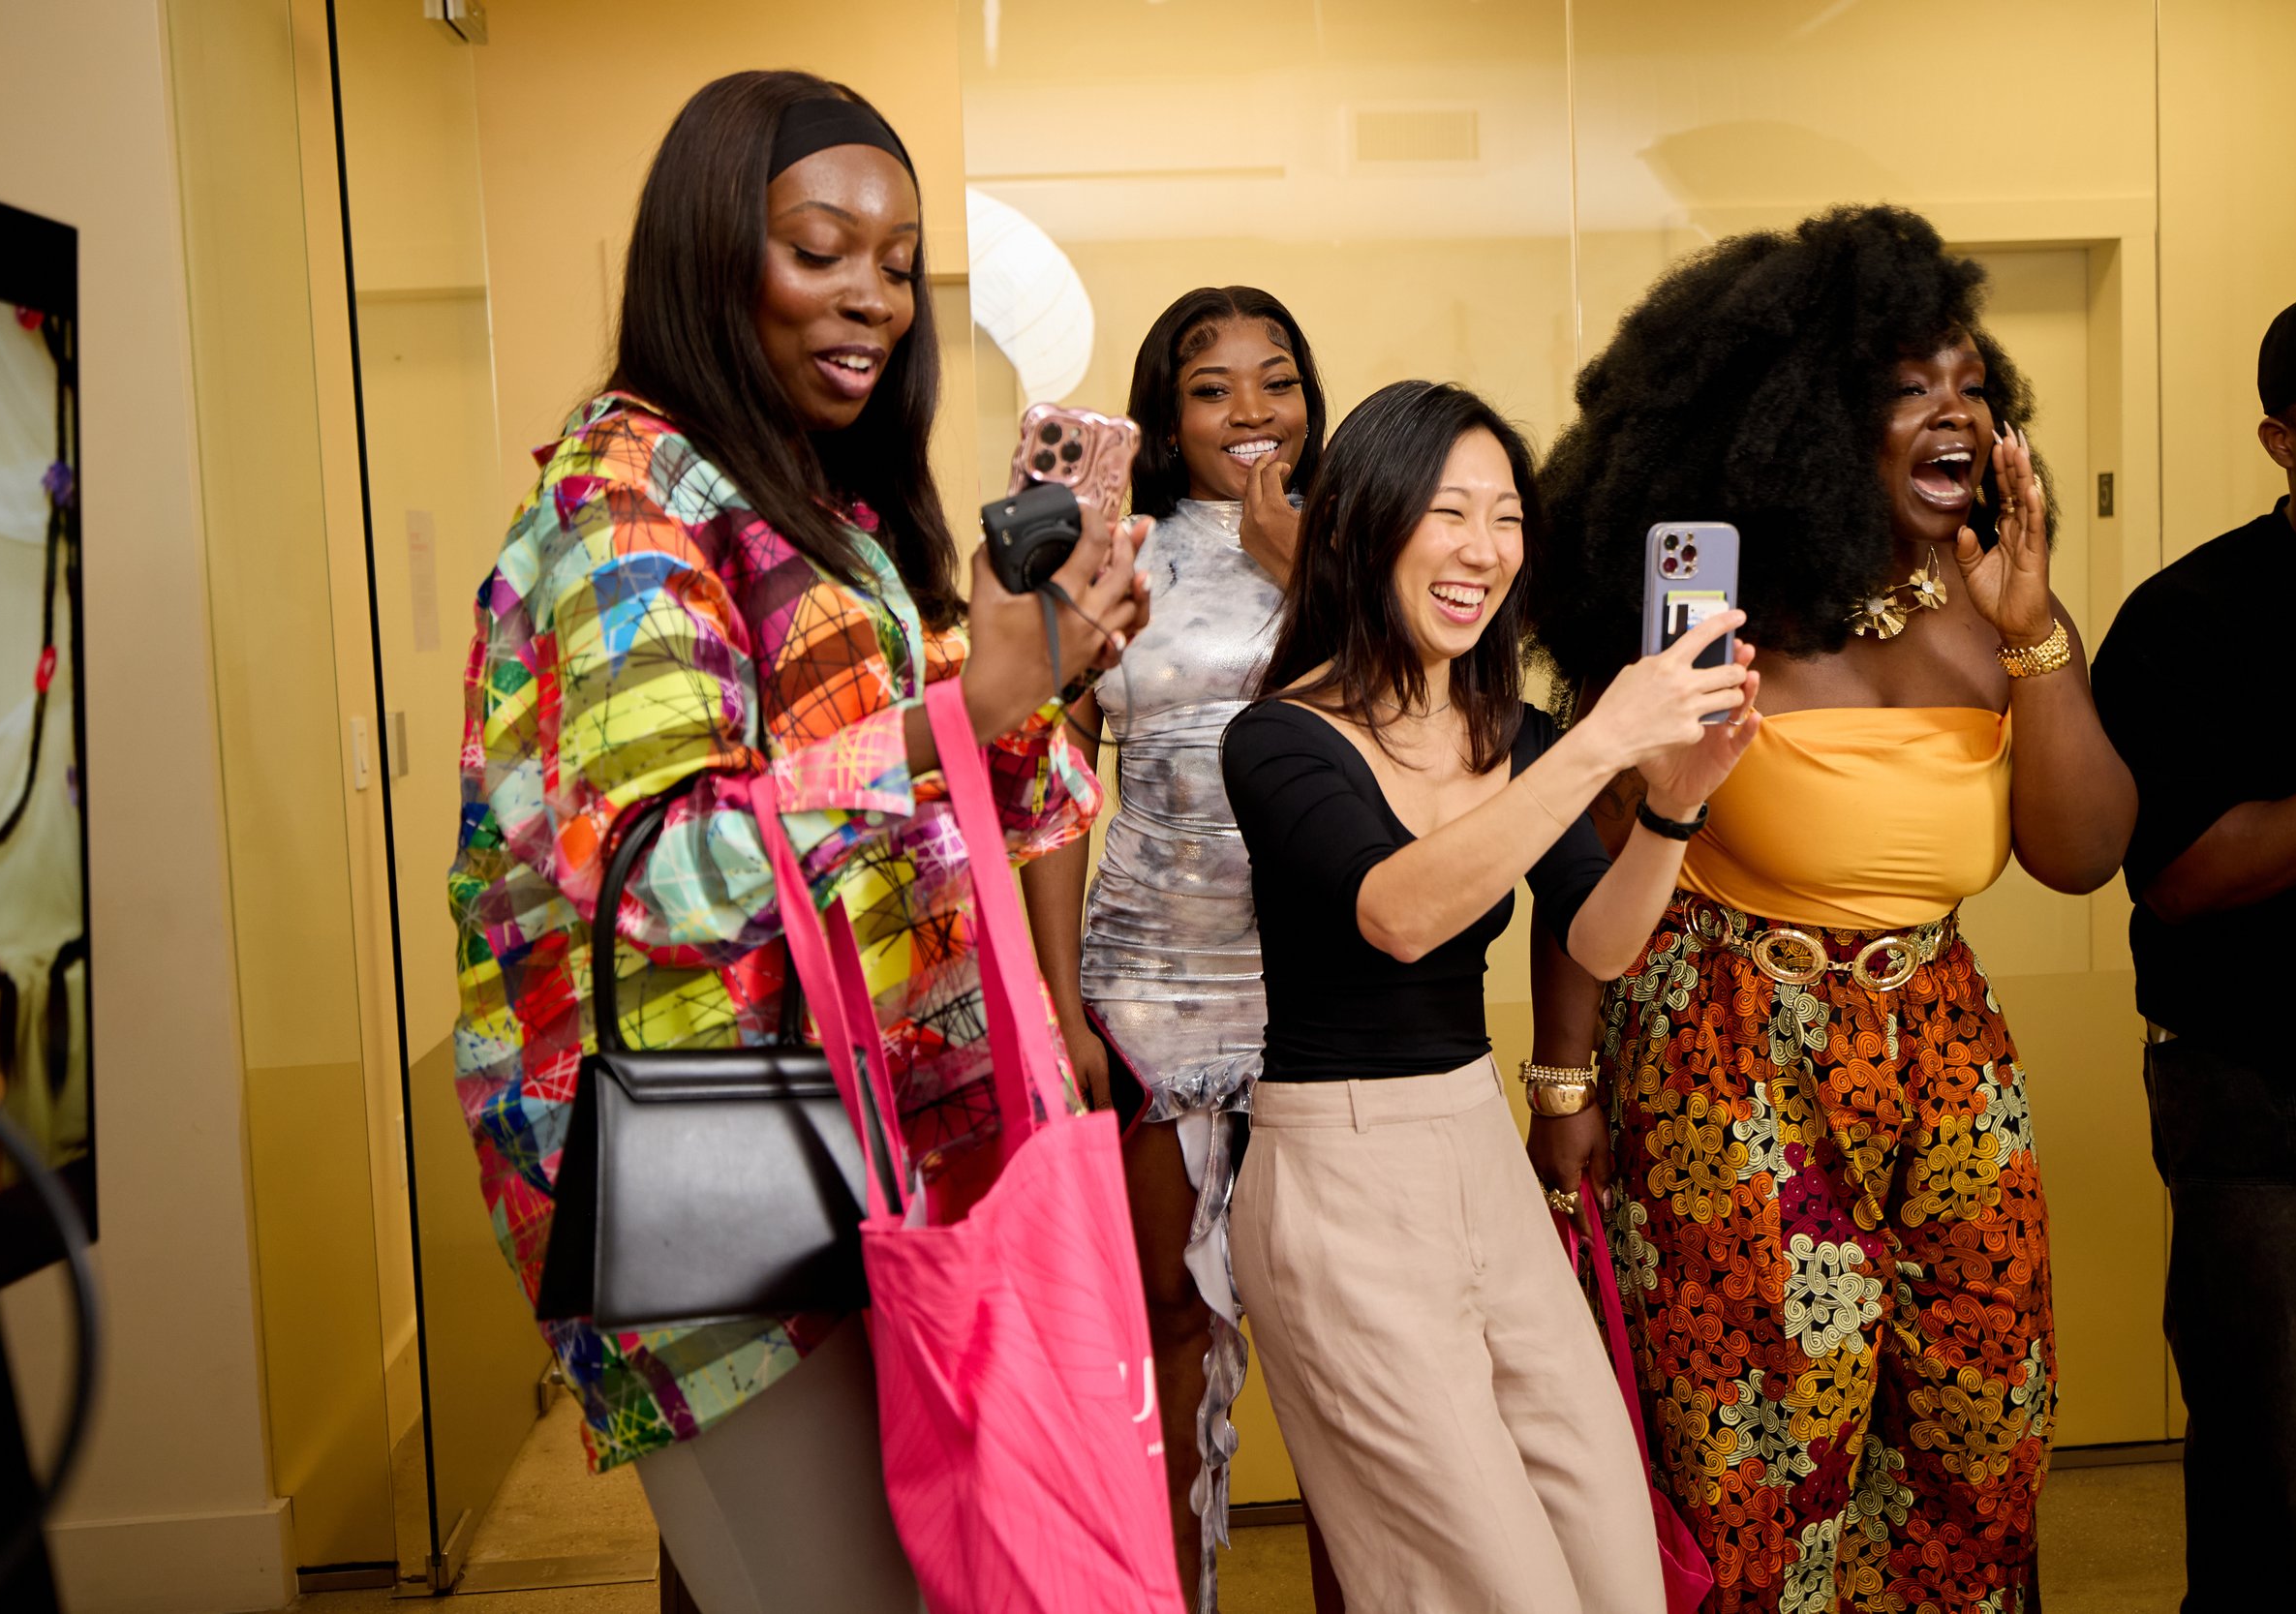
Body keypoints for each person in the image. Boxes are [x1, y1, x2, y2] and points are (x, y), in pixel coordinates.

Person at [445, 72, 1149, 1614]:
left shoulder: (820, 501)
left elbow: (955, 802)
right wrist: (965, 703)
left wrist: (1039, 672)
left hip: (857, 1129)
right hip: (713, 1139)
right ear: (713, 253)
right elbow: (665, 870)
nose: (873, 298)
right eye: (821, 248)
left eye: (899, 263)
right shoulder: (625, 501)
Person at [1529, 204, 2135, 1614]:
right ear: (1808, 416)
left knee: (1980, 1427)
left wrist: (2036, 629)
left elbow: (2086, 849)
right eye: (1909, 385)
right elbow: (1592, 873)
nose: (1955, 412)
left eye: (1974, 385)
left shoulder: (2004, 612)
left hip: (1944, 1058)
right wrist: (1566, 1088)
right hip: (1728, 1054)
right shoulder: (1716, 620)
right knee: (1754, 1450)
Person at [1221, 379, 1762, 1613]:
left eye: (1506, 517)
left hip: (1479, 1150)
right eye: (1449, 511)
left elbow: (1602, 940)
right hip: (1339, 1178)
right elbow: (1401, 911)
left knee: (1616, 1566)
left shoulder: (1512, 731)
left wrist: (1672, 799)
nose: (1483, 550)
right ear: (1365, 524)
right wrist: (1598, 742)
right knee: (1488, 1589)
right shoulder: (1278, 738)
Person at [1022, 286, 1330, 1613]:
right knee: (1170, 1332)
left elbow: (1414, 730)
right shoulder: (1120, 551)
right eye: (1214, 388)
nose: (1251, 411)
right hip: (1152, 999)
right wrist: (1058, 1004)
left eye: (1277, 379)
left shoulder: (1365, 545)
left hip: (1327, 1005)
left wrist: (1297, 567)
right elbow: (1046, 779)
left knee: (1348, 1357)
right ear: (1167, 410)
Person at [2090, 278, 2296, 1613]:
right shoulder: (2188, 618)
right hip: (2260, 1097)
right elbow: (2187, 876)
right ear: (2284, 436)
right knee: (2269, 1479)